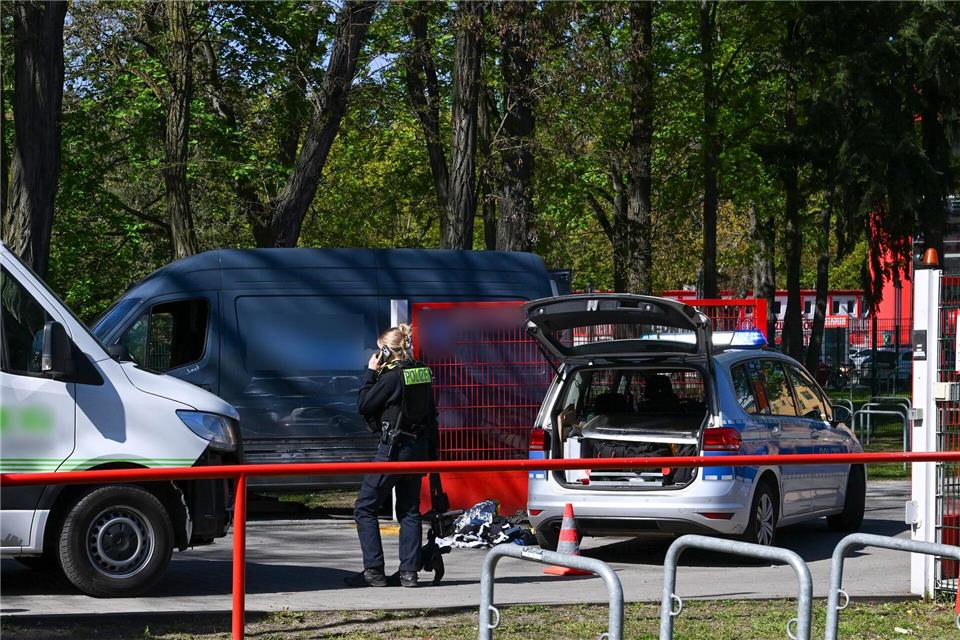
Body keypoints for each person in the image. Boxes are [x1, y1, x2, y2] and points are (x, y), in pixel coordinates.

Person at [346, 324, 438, 588]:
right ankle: (409, 573)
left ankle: (373, 571)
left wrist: (370, 373)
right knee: (409, 510)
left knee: (365, 508)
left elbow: (364, 405)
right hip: (417, 450)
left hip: (393, 451)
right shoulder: (422, 372)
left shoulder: (390, 377)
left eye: (379, 349)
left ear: (386, 350)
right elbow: (432, 413)